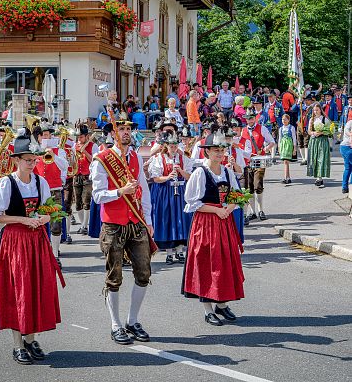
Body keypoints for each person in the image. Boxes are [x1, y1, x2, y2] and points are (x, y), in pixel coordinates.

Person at [0, 131, 65, 365]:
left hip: (37, 241)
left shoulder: (41, 182)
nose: (32, 163)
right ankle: (17, 344)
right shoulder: (5, 184)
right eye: (27, 160)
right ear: (16, 160)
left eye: (34, 159)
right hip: (15, 243)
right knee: (16, 291)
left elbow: (49, 212)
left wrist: (43, 218)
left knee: (35, 288)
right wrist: (23, 220)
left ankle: (30, 339)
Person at [91, 120, 154, 345]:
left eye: (128, 129)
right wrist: (120, 191)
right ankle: (115, 325)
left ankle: (132, 320)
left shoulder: (136, 157)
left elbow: (144, 191)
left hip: (136, 221)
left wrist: (148, 220)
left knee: (144, 272)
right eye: (121, 129)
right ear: (113, 133)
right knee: (114, 276)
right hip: (113, 224)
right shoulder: (102, 159)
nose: (126, 133)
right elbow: (97, 195)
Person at [182, 129, 245, 326]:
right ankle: (208, 309)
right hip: (206, 223)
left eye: (221, 150)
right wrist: (217, 210)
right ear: (206, 152)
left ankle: (222, 304)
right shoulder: (200, 173)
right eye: (215, 150)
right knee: (208, 263)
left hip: (224, 222)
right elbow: (191, 201)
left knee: (225, 262)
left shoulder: (227, 171)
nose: (219, 153)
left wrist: (229, 208)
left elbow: (237, 194)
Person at [149, 133, 193, 264]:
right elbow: (156, 178)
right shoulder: (159, 158)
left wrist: (180, 171)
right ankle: (169, 253)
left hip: (180, 191)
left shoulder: (183, 158)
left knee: (180, 220)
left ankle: (179, 251)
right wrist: (168, 177)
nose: (173, 149)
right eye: (171, 146)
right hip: (165, 192)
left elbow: (189, 177)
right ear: (166, 146)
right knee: (167, 219)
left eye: (175, 146)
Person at [33, 124, 68, 267]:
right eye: (43, 135)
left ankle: (55, 254)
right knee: (37, 223)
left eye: (48, 135)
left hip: (55, 190)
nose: (46, 137)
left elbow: (65, 166)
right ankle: (40, 254)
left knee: (56, 224)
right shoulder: (34, 150)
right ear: (39, 137)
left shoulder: (59, 151)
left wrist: (53, 156)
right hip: (39, 191)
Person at [240, 111, 275, 224]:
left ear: (255, 118)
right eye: (247, 119)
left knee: (258, 184)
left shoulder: (262, 128)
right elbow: (241, 146)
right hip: (248, 161)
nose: (249, 121)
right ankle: (253, 212)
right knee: (249, 187)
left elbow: (272, 142)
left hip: (260, 160)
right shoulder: (243, 131)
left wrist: (264, 150)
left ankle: (261, 210)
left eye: (251, 118)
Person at [73, 125, 98, 235]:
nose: (79, 139)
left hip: (88, 176)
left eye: (81, 137)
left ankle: (84, 226)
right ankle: (82, 223)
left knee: (86, 201)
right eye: (78, 137)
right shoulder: (75, 145)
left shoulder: (93, 146)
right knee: (78, 203)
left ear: (87, 136)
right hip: (77, 175)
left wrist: (85, 152)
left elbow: (94, 160)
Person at [307, 104, 331, 188]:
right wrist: (314, 133)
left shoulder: (325, 119)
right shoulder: (311, 119)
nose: (315, 111)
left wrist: (321, 132)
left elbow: (329, 131)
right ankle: (318, 177)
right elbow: (309, 131)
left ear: (320, 110)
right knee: (315, 159)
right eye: (314, 110)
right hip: (314, 141)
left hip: (322, 141)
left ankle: (319, 178)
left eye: (317, 110)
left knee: (321, 158)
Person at [294, 94, 315, 166]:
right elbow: (292, 109)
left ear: (311, 101)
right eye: (305, 100)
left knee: (306, 143)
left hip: (307, 126)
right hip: (300, 125)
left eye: (308, 100)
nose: (306, 102)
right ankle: (303, 158)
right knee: (300, 143)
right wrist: (297, 102)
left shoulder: (312, 108)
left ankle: (306, 159)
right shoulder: (301, 106)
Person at [264, 92, 284, 162]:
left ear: (274, 97)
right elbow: (264, 114)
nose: (269, 98)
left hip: (275, 124)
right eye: (268, 97)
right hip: (267, 124)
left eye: (271, 96)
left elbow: (283, 115)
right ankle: (271, 154)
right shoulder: (266, 105)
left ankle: (273, 156)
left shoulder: (278, 105)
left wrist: (282, 124)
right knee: (268, 140)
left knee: (274, 139)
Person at [278, 114, 297, 184]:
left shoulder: (291, 128)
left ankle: (286, 178)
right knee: (285, 162)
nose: (284, 121)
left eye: (285, 119)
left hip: (289, 145)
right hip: (283, 145)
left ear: (288, 120)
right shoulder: (281, 128)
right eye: (283, 119)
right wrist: (279, 147)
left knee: (286, 161)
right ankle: (288, 178)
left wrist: (294, 148)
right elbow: (279, 138)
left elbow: (294, 138)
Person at [339, 118, 352, 194]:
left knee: (348, 168)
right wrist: (351, 134)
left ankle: (345, 188)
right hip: (347, 147)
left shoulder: (349, 122)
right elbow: (346, 131)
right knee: (349, 168)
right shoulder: (350, 123)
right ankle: (349, 186)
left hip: (344, 147)